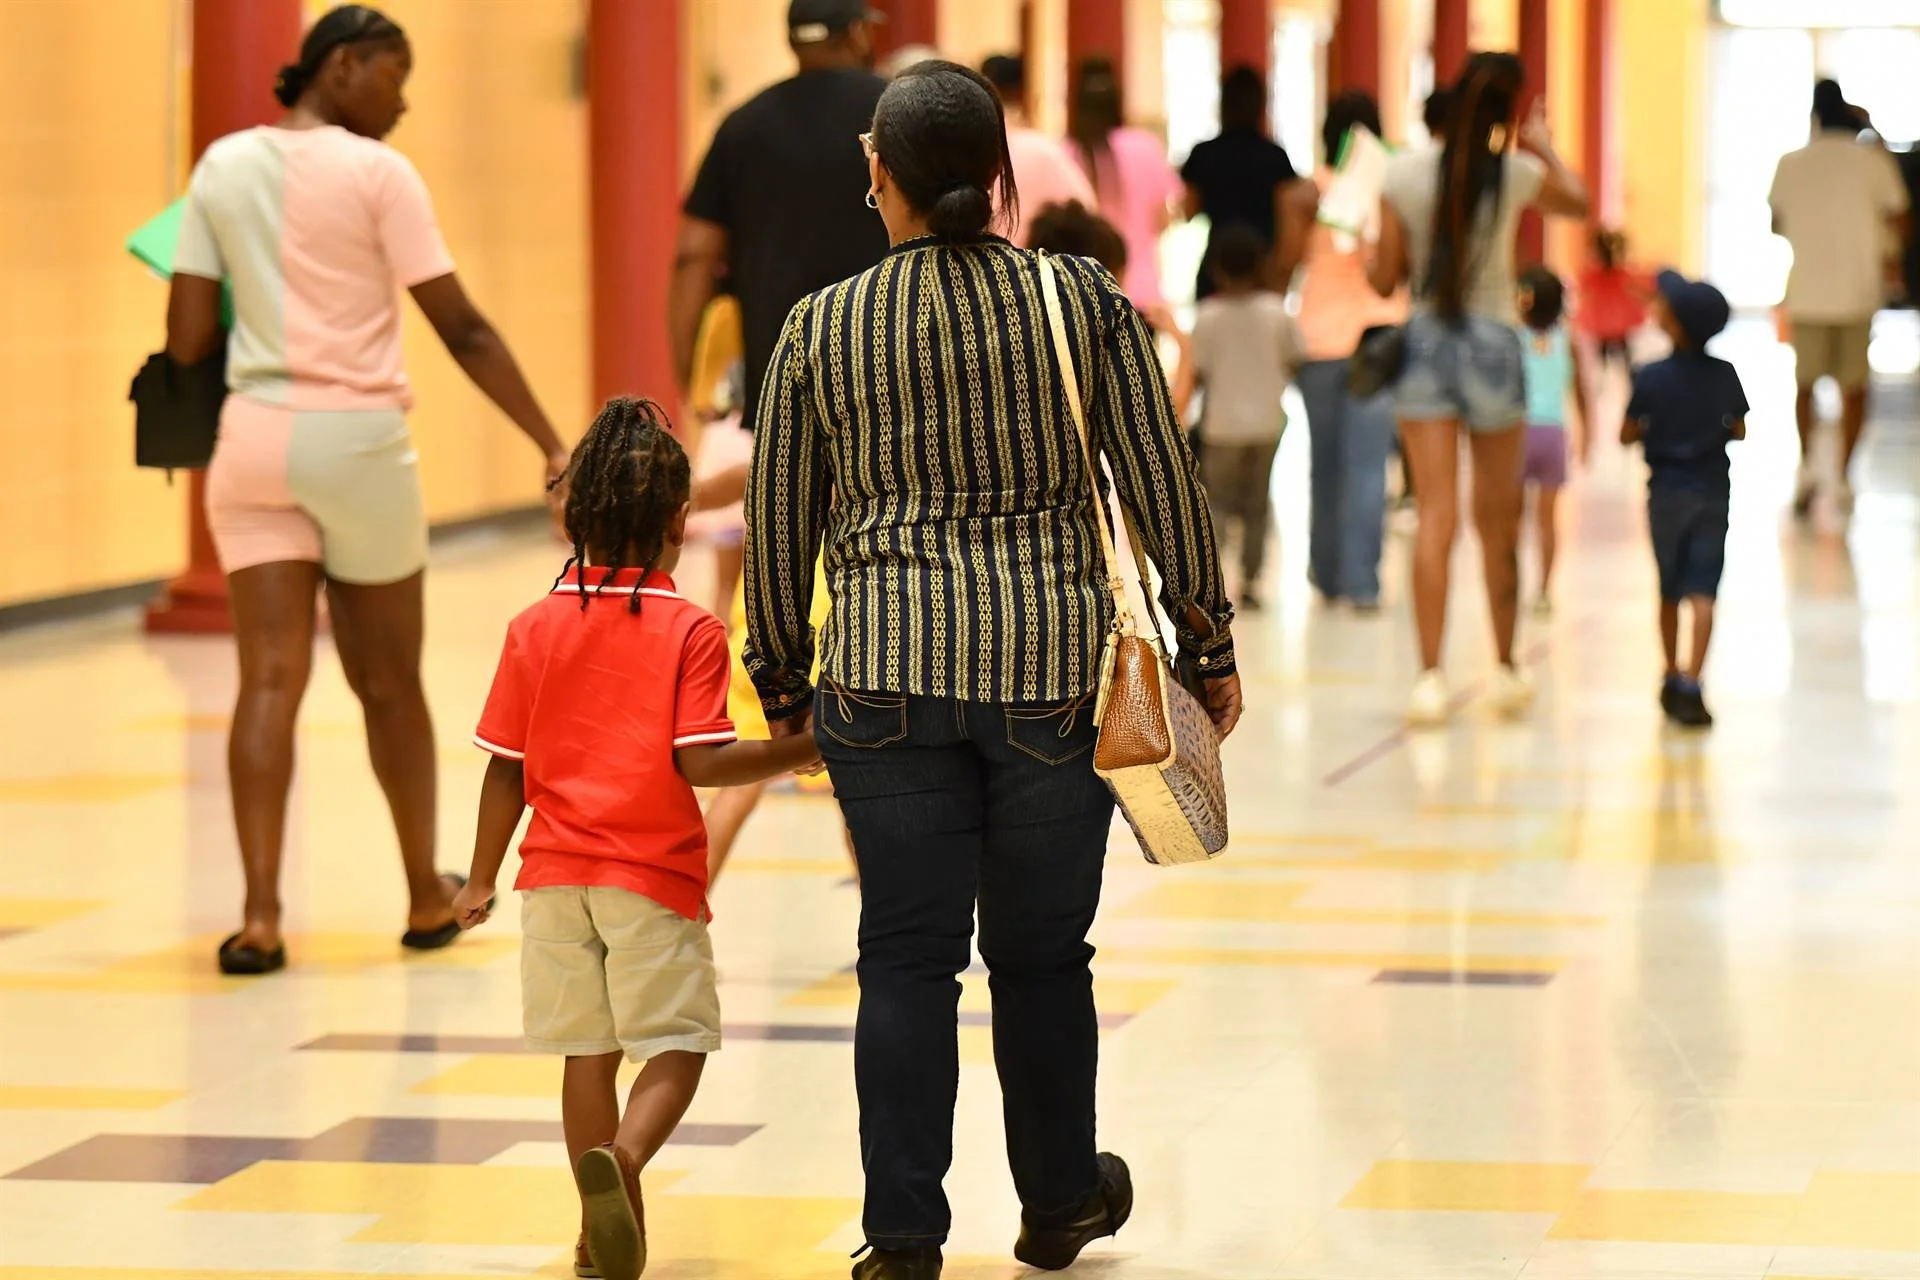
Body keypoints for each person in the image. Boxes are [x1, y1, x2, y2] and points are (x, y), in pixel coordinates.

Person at [743, 60, 1241, 1280]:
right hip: (1052, 679)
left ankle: (905, 1232)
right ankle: (1062, 1198)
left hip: (882, 681)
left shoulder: (820, 325)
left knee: (906, 956)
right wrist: (1206, 640)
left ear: (881, 178)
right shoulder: (1082, 304)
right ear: (1002, 175)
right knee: (1039, 954)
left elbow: (778, 519)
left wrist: (782, 677)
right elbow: (1160, 481)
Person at [163, 4, 568, 975]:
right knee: (387, 682)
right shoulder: (380, 173)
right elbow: (462, 327)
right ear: (340, 67)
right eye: (394, 73)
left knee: (265, 681)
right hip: (358, 445)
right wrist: (551, 441)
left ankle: (260, 916)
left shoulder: (220, 166)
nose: (403, 97)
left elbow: (183, 341)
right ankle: (424, 895)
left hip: (252, 440)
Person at [453, 398, 822, 1280]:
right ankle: (621, 1164)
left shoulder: (532, 627)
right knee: (680, 1042)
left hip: (550, 881)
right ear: (676, 521)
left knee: (590, 1052)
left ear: (576, 515)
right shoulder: (689, 629)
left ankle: (599, 1227)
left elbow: (504, 767)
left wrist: (476, 881)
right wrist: (803, 748)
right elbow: (701, 762)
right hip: (648, 879)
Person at [1371, 51, 1591, 726]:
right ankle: (1503, 666)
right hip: (1497, 344)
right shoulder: (1516, 174)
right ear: (1507, 113)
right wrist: (1545, 144)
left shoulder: (1401, 176)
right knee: (1500, 521)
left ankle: (1431, 679)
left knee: (1434, 519)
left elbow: (1384, 280)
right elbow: (1580, 204)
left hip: (1426, 344)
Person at [669, 0, 890, 434]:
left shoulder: (741, 127)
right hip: (889, 362)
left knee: (787, 497)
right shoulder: (894, 113)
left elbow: (694, 254)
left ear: (792, 41)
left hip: (778, 378)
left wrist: (691, 377)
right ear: (856, 33)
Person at [1277, 91, 1407, 612]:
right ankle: (1362, 584)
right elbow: (1398, 272)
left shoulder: (1305, 195)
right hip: (1378, 341)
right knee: (1367, 465)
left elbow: (1287, 265)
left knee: (1325, 463)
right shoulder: (1389, 196)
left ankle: (1326, 575)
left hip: (1320, 342)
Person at [1768, 78, 1911, 516]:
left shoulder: (1791, 163)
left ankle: (1809, 466)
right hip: (1856, 290)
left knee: (1805, 384)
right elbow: (1902, 217)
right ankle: (1844, 474)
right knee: (1854, 387)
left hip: (1809, 289)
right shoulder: (1871, 163)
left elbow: (1777, 223)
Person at [1620, 273, 1746, 730]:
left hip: (1666, 494)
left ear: (1674, 325)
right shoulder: (1725, 375)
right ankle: (1695, 680)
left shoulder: (1651, 376)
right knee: (1704, 590)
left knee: (1669, 588)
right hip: (1713, 491)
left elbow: (1627, 432)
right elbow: (1740, 428)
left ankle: (1670, 671)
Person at [1174, 224, 1303, 609]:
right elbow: (1295, 358)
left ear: (1215, 269)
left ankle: (1213, 581)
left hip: (1221, 427)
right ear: (1262, 265)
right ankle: (1251, 578)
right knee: (1258, 504)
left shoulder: (1209, 315)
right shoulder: (1276, 313)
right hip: (1267, 423)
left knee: (1217, 505)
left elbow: (1197, 370)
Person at [1066, 55, 1183, 318]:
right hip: (1142, 294)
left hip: (1082, 295)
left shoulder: (1066, 153)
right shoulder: (1145, 147)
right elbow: (1164, 219)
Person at [1180, 65, 1299, 300]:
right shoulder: (1275, 156)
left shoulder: (1203, 154)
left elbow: (1188, 212)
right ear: (1260, 106)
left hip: (1216, 267)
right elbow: (1288, 221)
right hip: (1261, 269)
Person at [1516, 266, 1589, 615]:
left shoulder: (1514, 339)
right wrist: (1587, 435)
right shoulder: (1568, 341)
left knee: (1512, 517)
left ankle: (1508, 583)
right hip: (1553, 435)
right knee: (1547, 521)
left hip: (1516, 434)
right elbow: (1582, 393)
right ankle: (1543, 589)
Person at [981, 53, 1097, 246]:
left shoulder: (973, 149)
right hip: (1035, 268)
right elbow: (1087, 213)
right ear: (1027, 95)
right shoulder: (1043, 149)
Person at [1578, 228, 1649, 377]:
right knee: (1620, 363)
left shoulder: (1594, 276)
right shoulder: (1623, 276)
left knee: (1607, 364)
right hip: (1615, 327)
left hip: (1604, 327)